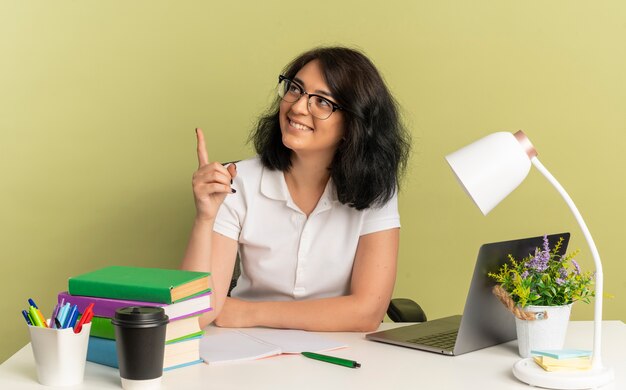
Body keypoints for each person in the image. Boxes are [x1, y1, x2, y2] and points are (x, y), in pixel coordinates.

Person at [181, 46, 411, 332]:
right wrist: (204, 218)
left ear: (355, 123)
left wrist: (249, 313)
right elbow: (198, 316)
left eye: (323, 102)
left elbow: (367, 312)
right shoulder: (238, 181)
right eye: (295, 89)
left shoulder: (375, 190)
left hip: (340, 353)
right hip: (246, 349)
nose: (298, 107)